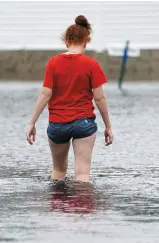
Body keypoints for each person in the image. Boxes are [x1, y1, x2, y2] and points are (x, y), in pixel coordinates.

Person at [26, 15, 113, 183]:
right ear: (86, 41)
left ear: (66, 41)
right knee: (82, 174)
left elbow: (45, 94)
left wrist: (32, 122)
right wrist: (108, 126)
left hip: (57, 124)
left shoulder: (53, 63)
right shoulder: (91, 64)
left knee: (58, 172)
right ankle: (82, 208)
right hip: (84, 124)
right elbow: (100, 98)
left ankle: (59, 207)